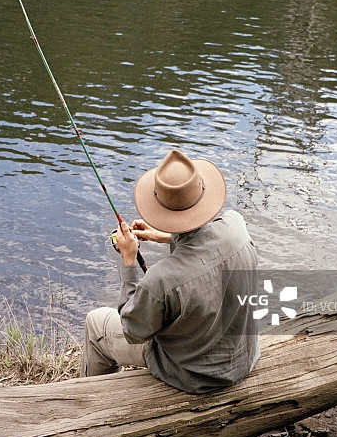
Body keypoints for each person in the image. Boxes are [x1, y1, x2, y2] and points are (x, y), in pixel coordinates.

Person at [80, 148, 260, 394]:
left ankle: (86, 401)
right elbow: (206, 248)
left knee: (95, 323)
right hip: (243, 359)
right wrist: (164, 237)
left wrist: (130, 261)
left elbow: (133, 330)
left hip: (194, 375)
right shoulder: (237, 226)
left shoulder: (161, 279)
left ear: (160, 207)